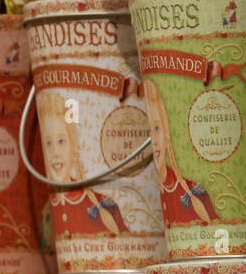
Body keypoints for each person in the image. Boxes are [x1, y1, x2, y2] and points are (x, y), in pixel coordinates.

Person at [37, 90, 124, 236]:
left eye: (61, 141)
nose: (55, 152)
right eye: (48, 144)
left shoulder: (102, 204)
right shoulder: (45, 213)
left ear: (73, 146)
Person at [142, 79, 216, 224]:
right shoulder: (143, 196)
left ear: (166, 133)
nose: (154, 140)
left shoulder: (194, 191)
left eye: (157, 128)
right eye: (148, 130)